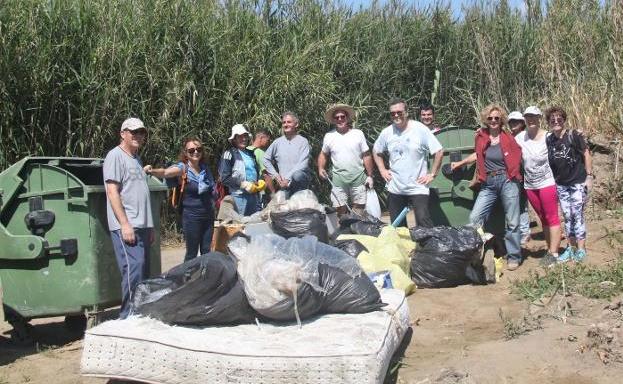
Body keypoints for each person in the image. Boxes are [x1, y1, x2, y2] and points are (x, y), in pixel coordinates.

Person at [103, 117, 153, 319]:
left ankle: (138, 314)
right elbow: (112, 192)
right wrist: (125, 224)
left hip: (142, 225)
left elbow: (139, 194)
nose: (138, 136)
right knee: (134, 270)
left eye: (141, 132)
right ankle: (127, 317)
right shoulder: (115, 156)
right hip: (127, 225)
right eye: (133, 132)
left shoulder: (136, 159)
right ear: (122, 134)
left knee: (143, 272)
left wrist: (150, 227)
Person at [372, 98, 443, 228]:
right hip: (396, 187)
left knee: (424, 223)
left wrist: (432, 174)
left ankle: (427, 247)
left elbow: (438, 151)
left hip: (418, 187)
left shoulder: (420, 129)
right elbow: (376, 151)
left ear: (406, 112)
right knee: (398, 226)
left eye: (399, 112)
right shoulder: (387, 132)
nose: (396, 115)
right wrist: (382, 170)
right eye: (392, 113)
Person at [468, 104, 523, 271]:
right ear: (486, 120)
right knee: (474, 219)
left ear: (501, 120)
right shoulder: (480, 137)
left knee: (512, 221)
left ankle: (514, 256)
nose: (493, 121)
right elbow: (477, 156)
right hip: (488, 183)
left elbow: (519, 154)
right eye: (490, 118)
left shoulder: (509, 137)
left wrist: (514, 174)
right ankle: (476, 253)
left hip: (507, 180)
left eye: (497, 118)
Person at [144, 138, 216, 262]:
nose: (195, 152)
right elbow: (166, 172)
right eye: (191, 150)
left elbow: (213, 189)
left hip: (208, 215)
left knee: (206, 251)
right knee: (191, 253)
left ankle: (204, 278)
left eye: (199, 149)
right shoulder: (183, 168)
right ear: (185, 153)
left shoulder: (205, 169)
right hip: (192, 217)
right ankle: (187, 278)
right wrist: (151, 171)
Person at [514, 106, 562, 266]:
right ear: (524, 120)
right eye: (528, 117)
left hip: (547, 183)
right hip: (530, 185)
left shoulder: (548, 137)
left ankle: (553, 253)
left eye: (534, 116)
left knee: (552, 217)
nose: (531, 119)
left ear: (540, 118)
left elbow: (564, 140)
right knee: (543, 218)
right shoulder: (520, 137)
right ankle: (550, 248)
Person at [545, 106, 593, 263]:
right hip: (561, 185)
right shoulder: (549, 139)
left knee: (577, 215)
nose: (556, 121)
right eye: (553, 119)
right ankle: (570, 249)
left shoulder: (573, 135)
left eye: (559, 119)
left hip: (577, 182)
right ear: (549, 122)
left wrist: (589, 176)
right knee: (567, 216)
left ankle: (581, 249)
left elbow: (586, 154)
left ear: (564, 120)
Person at [317, 103, 375, 216]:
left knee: (359, 210)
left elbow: (367, 155)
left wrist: (370, 176)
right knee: (339, 210)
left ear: (347, 118)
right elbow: (323, 154)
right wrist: (320, 168)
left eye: (342, 117)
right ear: (333, 120)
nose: (340, 119)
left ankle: (356, 230)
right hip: (338, 180)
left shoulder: (358, 134)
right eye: (337, 117)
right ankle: (343, 231)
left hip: (358, 178)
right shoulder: (329, 136)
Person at [218, 124, 264, 216]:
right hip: (238, 197)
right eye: (239, 136)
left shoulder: (251, 154)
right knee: (239, 227)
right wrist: (243, 184)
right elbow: (224, 178)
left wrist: (259, 181)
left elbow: (254, 172)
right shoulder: (229, 154)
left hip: (254, 197)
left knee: (253, 226)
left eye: (245, 136)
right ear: (234, 139)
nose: (243, 139)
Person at [263, 111, 311, 196]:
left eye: (289, 122)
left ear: (296, 124)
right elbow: (266, 159)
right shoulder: (277, 142)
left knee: (297, 175)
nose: (285, 124)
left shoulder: (303, 141)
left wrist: (288, 178)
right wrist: (276, 176)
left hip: (299, 184)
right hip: (284, 185)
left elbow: (303, 164)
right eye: (284, 122)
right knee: (285, 208)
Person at [508, 110, 532, 245]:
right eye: (511, 122)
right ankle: (524, 231)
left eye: (516, 122)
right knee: (522, 204)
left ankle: (524, 231)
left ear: (522, 123)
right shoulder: (515, 136)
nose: (513, 124)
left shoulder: (522, 136)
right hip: (520, 174)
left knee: (522, 204)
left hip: (524, 174)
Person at [247, 130, 271, 208]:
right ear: (261, 138)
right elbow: (266, 175)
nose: (268, 142)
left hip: (244, 188)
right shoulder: (261, 153)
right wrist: (273, 193)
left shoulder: (245, 150)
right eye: (268, 140)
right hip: (257, 190)